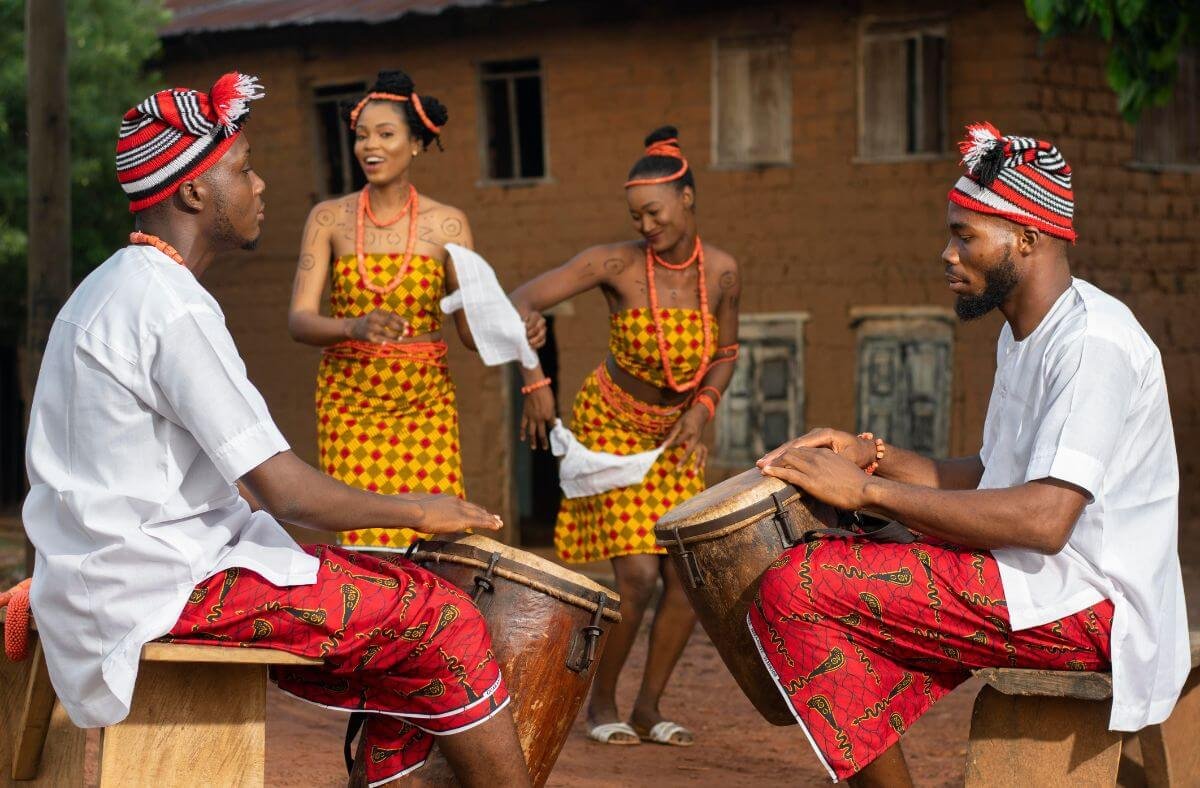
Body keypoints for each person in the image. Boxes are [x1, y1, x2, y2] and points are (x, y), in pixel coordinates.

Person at [22, 73, 530, 788]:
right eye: (244, 168)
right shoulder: (171, 308)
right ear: (195, 192)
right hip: (160, 586)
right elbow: (280, 491)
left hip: (111, 570)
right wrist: (420, 510)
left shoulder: (113, 285)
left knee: (404, 599)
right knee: (442, 616)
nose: (260, 186)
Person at [752, 122, 1188, 785]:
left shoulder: (1091, 345)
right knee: (839, 559)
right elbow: (993, 477)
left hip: (1090, 604)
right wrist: (873, 457)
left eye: (965, 236)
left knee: (798, 585)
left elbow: (1044, 522)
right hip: (1037, 584)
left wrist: (865, 493)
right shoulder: (1028, 332)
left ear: (1029, 239)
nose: (947, 254)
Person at [510, 127, 741, 746]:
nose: (645, 226)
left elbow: (726, 351)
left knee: (687, 581)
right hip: (609, 430)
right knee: (637, 577)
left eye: (656, 213)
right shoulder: (613, 264)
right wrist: (536, 382)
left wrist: (703, 408)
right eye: (636, 215)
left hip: (675, 439)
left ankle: (649, 708)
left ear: (687, 199)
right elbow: (519, 301)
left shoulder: (720, 273)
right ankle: (602, 705)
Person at [288, 69, 545, 552]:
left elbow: (471, 331)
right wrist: (353, 325)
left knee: (433, 540)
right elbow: (299, 320)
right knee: (363, 540)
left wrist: (521, 338)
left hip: (425, 404)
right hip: (351, 403)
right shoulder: (328, 218)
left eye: (386, 134)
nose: (370, 146)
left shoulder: (448, 224)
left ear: (417, 144)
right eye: (362, 136)